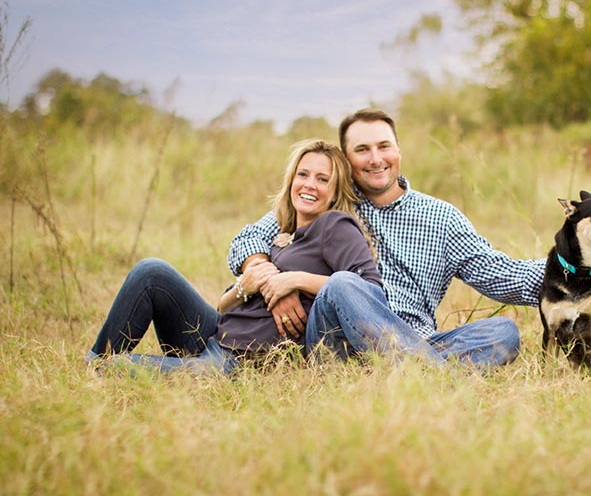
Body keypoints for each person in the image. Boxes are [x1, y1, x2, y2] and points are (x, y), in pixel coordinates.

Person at [228, 108, 547, 367]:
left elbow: (504, 276)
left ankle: (407, 369)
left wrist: (580, 270)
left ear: (398, 150)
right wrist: (272, 279)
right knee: (344, 284)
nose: (376, 159)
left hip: (415, 338)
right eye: (362, 150)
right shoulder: (333, 200)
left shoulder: (440, 217)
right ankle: (425, 375)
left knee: (502, 332)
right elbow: (250, 237)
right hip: (339, 338)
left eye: (384, 146)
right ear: (346, 160)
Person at [86, 139, 381, 374]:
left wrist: (296, 280)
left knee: (121, 367)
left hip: (241, 361)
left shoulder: (335, 227)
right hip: (214, 334)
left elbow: (367, 290)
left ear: (334, 192)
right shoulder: (283, 235)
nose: (308, 185)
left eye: (322, 179)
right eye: (302, 175)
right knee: (152, 272)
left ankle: (99, 369)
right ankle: (93, 363)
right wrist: (250, 284)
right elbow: (224, 305)